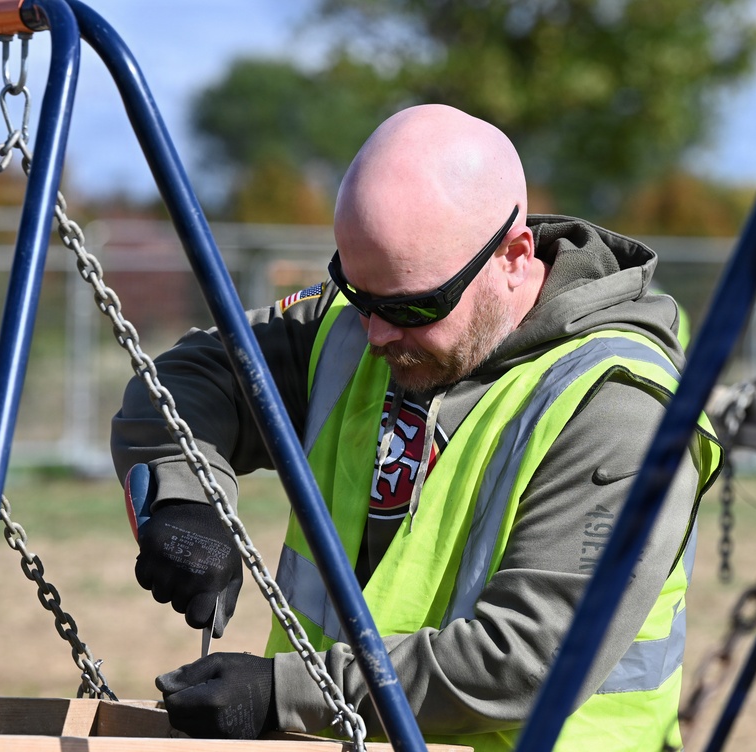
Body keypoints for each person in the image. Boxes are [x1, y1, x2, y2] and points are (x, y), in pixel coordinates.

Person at [110, 103, 723, 751]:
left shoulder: (618, 407)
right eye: (358, 293)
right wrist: (186, 498)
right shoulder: (355, 329)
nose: (377, 333)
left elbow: (531, 659)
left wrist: (289, 693)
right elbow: (186, 382)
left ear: (513, 256)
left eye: (413, 307)